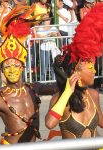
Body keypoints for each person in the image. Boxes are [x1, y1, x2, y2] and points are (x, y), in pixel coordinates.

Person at [0, 5, 59, 145]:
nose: (11, 70)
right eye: (7, 66)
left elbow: (59, 88)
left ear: (23, 67)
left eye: (15, 65)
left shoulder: (34, 89)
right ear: (2, 70)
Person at [45, 3, 103, 139]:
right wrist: (67, 93)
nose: (94, 70)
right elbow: (49, 123)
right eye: (89, 66)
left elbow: (101, 122)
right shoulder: (59, 98)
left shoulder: (93, 94)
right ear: (75, 70)